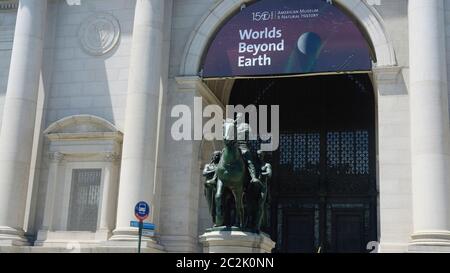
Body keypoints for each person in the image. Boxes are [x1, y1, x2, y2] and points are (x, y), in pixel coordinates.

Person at [202, 151, 221, 223]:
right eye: (215, 155)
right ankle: (214, 220)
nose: (216, 157)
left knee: (217, 205)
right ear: (212, 156)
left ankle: (217, 221)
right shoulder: (208, 166)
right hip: (209, 187)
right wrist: (215, 170)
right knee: (211, 206)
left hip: (217, 187)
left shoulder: (220, 166)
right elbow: (204, 173)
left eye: (218, 156)